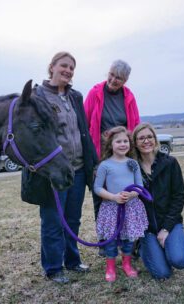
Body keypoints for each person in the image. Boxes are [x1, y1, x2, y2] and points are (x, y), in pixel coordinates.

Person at [21, 52, 98, 284]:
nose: (68, 70)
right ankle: (54, 268)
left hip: (78, 168)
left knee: (72, 220)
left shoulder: (75, 96)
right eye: (63, 65)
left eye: (72, 68)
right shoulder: (37, 97)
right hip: (53, 172)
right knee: (53, 221)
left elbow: (83, 131)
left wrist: (92, 163)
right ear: (52, 67)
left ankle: (73, 261)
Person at [84, 59, 141, 255]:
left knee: (126, 193)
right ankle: (104, 240)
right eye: (112, 75)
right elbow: (85, 120)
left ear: (125, 80)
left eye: (119, 78)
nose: (113, 80)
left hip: (123, 151)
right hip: (100, 154)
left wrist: (133, 150)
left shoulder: (129, 97)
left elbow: (134, 123)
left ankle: (128, 239)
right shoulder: (95, 93)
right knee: (102, 196)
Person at [132, 123, 184, 280]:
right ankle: (142, 247)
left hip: (169, 222)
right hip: (146, 228)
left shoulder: (170, 163)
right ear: (135, 143)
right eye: (141, 138)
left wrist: (166, 229)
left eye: (149, 137)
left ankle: (171, 241)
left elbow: (179, 197)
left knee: (180, 260)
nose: (146, 141)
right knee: (162, 273)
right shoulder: (131, 168)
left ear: (155, 140)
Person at [94, 126, 148, 282]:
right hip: (111, 208)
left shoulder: (133, 163)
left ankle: (126, 264)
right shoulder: (105, 165)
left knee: (129, 238)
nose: (123, 144)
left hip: (130, 207)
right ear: (111, 144)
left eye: (126, 141)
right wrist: (113, 197)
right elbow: (97, 188)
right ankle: (110, 266)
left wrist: (133, 194)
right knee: (111, 238)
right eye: (118, 141)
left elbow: (140, 186)